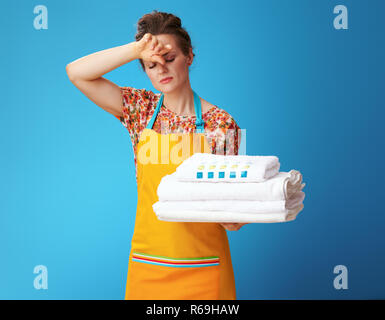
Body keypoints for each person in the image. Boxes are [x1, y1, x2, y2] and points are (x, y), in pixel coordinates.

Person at [66, 10, 247, 300]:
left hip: (205, 269)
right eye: (151, 64)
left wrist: (234, 215)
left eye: (170, 58)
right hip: (149, 266)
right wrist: (137, 49)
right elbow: (77, 72)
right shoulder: (141, 110)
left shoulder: (222, 124)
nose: (161, 69)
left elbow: (235, 218)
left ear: (189, 55)